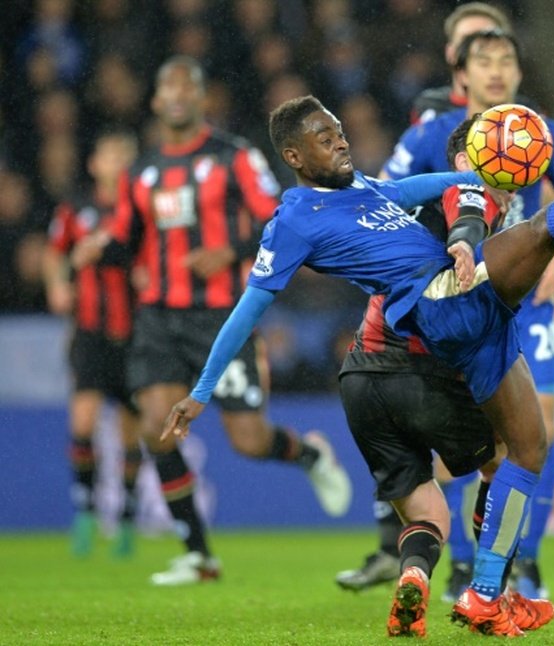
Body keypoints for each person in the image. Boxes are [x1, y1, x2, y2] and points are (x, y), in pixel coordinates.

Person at [161, 75, 554, 636]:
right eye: (323, 136)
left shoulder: (360, 188)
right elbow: (247, 310)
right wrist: (201, 390)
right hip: (439, 301)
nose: (340, 141)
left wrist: (469, 177)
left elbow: (411, 190)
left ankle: (485, 594)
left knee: (526, 450)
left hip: (460, 327)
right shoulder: (290, 221)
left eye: (337, 131)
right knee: (540, 232)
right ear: (293, 155)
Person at [74, 56, 351, 585]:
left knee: (247, 440)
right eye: (167, 85)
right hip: (158, 317)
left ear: (203, 99)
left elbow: (279, 215)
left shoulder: (233, 158)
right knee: (158, 426)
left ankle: (309, 454)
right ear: (156, 101)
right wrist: (99, 248)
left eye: (188, 85)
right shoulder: (142, 171)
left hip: (222, 316)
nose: (177, 93)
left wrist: (231, 250)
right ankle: (199, 555)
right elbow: (126, 239)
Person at [382, 28, 554, 600]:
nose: (496, 71)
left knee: (536, 425)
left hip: (528, 299)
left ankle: (526, 563)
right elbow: (389, 199)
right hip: (460, 301)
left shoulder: (544, 132)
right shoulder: (432, 135)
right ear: (461, 75)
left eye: (506, 60)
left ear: (519, 72)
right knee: (462, 441)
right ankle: (465, 565)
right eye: (483, 60)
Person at [42, 129, 144, 559]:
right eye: (110, 155)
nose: (117, 163)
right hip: (89, 331)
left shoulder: (141, 211)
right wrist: (58, 282)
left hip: (137, 332)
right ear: (94, 164)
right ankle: (85, 512)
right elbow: (53, 251)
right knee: (82, 422)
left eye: (125, 156)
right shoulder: (76, 209)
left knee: (129, 432)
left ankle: (125, 519)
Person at [409, 2, 516, 124]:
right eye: (466, 42)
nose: (475, 49)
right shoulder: (431, 112)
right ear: (450, 53)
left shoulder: (527, 114)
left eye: (487, 42)